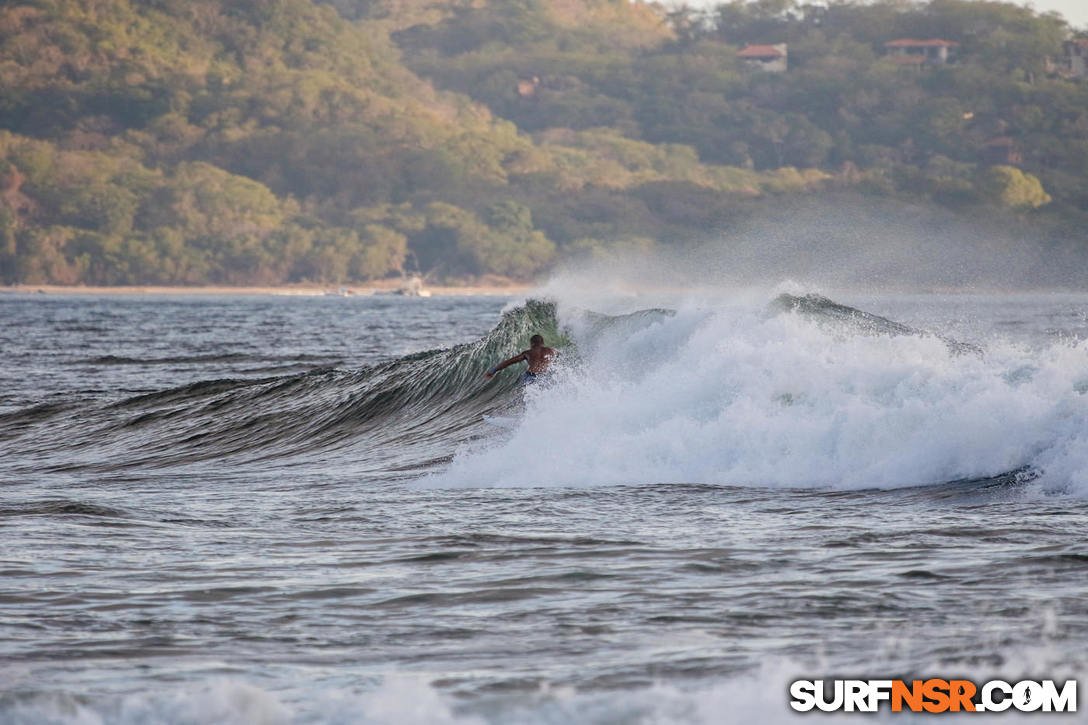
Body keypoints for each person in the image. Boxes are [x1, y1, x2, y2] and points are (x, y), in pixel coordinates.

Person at [485, 334, 557, 383]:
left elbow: (509, 362)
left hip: (531, 376)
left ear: (532, 343)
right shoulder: (552, 351)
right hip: (545, 377)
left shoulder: (528, 352)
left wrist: (493, 370)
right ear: (542, 343)